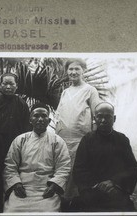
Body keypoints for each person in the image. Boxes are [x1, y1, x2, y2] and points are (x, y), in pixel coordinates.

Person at [3, 103, 71, 212]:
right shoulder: (20, 140)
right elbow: (10, 165)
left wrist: (54, 186)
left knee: (48, 212)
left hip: (47, 188)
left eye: (44, 116)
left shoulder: (57, 141)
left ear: (49, 121)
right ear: (30, 120)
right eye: (36, 116)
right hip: (22, 187)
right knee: (12, 210)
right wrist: (16, 184)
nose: (40, 119)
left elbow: (64, 167)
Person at [72, 102, 137, 212]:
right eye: (100, 116)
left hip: (116, 191)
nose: (103, 120)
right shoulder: (87, 140)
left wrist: (114, 182)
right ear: (94, 118)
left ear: (114, 118)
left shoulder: (122, 140)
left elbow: (131, 168)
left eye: (107, 116)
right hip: (92, 191)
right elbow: (79, 169)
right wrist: (98, 185)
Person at [55, 59, 101, 199]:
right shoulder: (65, 92)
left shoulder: (90, 90)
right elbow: (59, 115)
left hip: (81, 141)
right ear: (66, 71)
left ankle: (74, 202)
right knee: (63, 170)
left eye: (77, 69)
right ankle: (61, 200)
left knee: (77, 173)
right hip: (63, 141)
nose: (73, 72)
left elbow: (98, 115)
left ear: (83, 70)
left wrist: (93, 138)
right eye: (70, 69)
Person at [0, 73, 30, 157]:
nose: (8, 87)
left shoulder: (22, 104)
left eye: (11, 84)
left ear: (16, 86)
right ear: (0, 85)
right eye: (5, 84)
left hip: (16, 146)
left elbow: (27, 127)